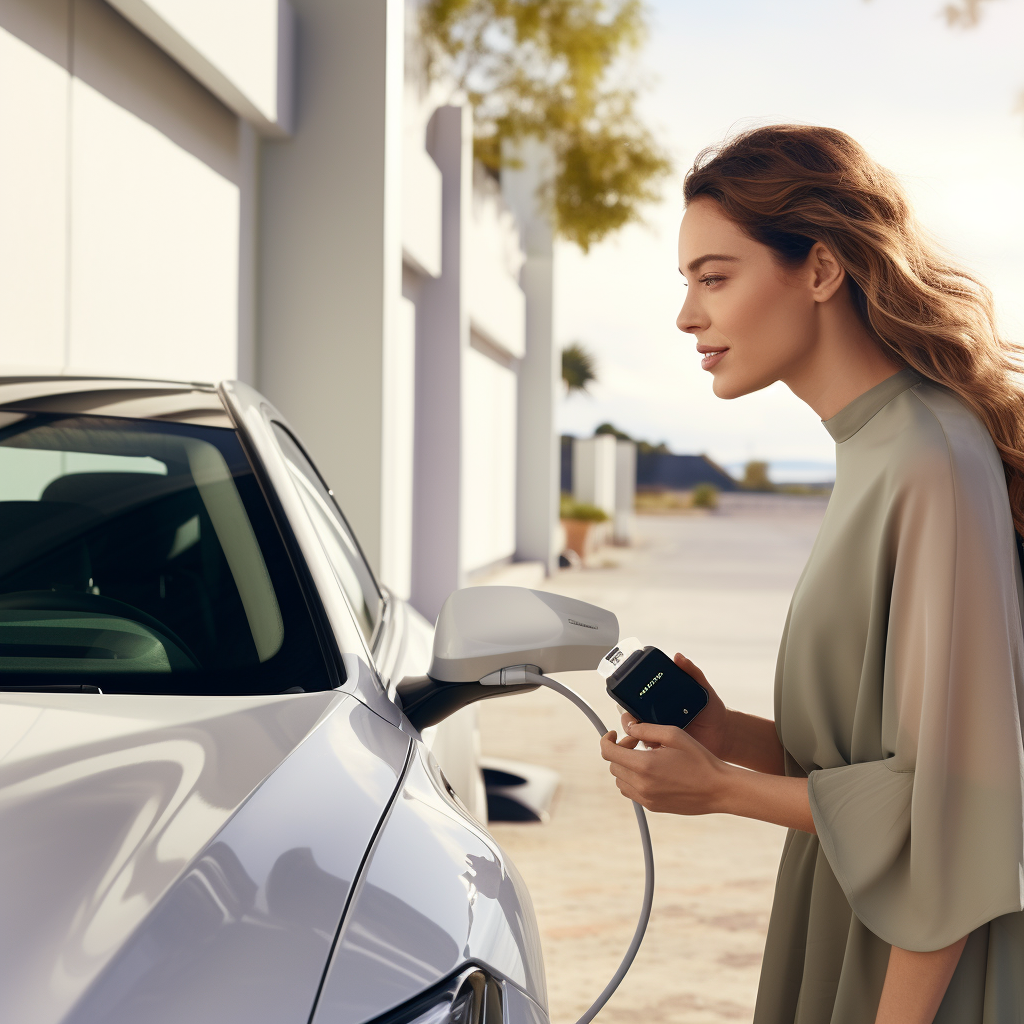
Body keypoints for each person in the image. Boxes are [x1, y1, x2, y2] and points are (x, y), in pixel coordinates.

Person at [600, 124, 1024, 1024]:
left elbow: (964, 812)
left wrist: (723, 791)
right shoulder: (877, 446)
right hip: (854, 924)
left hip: (913, 974)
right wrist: (725, 735)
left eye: (714, 278)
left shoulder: (928, 456)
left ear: (822, 271)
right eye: (687, 283)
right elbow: (870, 767)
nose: (687, 316)